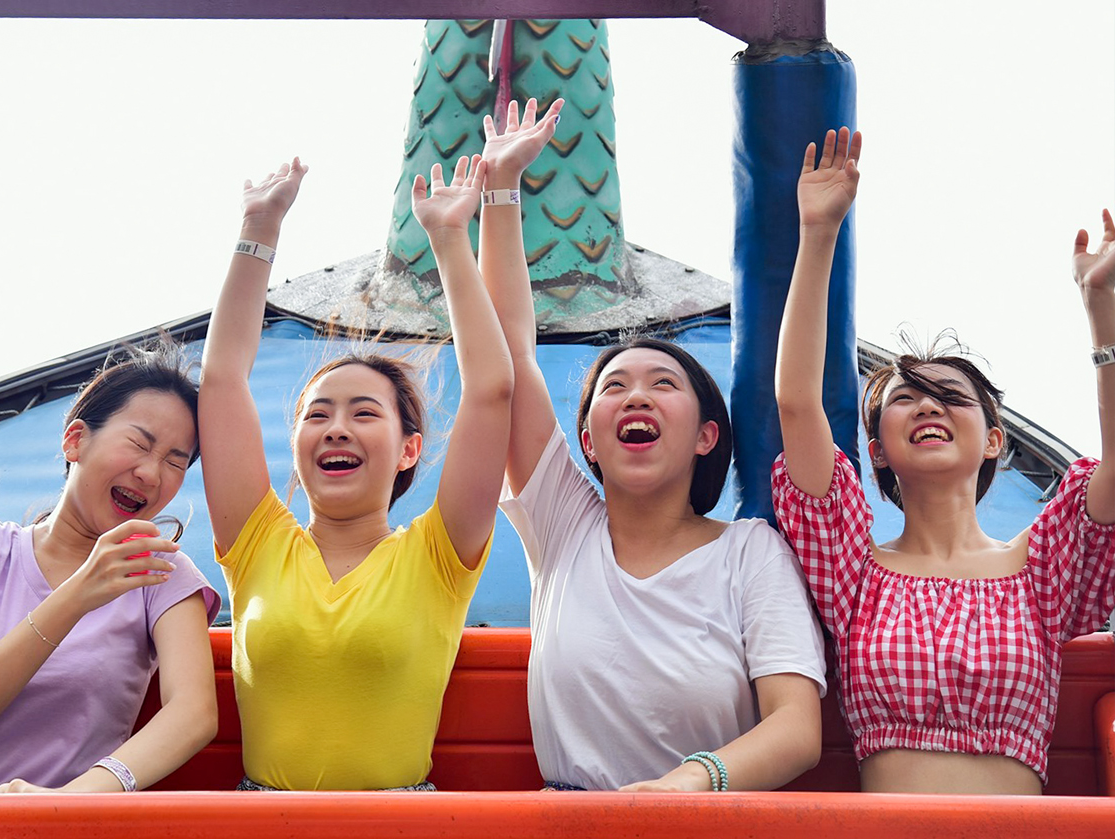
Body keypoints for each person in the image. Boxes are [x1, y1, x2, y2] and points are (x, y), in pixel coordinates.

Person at [486, 99, 827, 793]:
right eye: (614, 387)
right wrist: (498, 191)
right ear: (588, 438)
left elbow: (796, 728)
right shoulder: (563, 524)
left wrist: (686, 787)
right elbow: (508, 356)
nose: (635, 396)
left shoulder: (750, 552)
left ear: (707, 435)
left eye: (663, 383)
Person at [772, 128, 1115, 794]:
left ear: (993, 440)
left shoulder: (1043, 571)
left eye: (950, 397)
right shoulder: (854, 576)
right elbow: (795, 402)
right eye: (906, 400)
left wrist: (1103, 320)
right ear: (877, 451)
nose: (928, 408)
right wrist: (818, 236)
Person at [198, 153, 512, 791]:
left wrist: (451, 239)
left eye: (365, 413)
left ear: (408, 449)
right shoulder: (256, 543)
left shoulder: (438, 555)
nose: (336, 426)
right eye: (318, 414)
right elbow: (222, 378)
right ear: (296, 446)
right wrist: (259, 229)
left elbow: (492, 389)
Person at [0, 346, 219, 793]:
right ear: (75, 439)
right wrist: (78, 595)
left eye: (176, 462)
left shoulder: (163, 571)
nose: (151, 473)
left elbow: (194, 712)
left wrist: (70, 800)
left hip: (87, 833)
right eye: (140, 443)